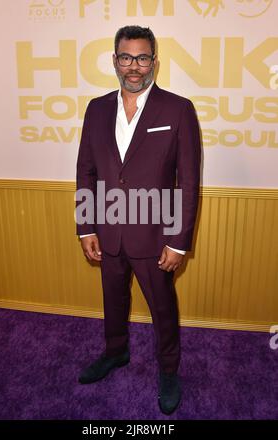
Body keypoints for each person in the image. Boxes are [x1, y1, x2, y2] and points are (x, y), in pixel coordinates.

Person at [75, 25, 201, 415]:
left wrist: (178, 241)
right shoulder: (96, 108)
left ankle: (168, 370)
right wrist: (87, 225)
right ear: (115, 61)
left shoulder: (178, 109)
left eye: (142, 57)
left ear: (154, 62)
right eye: (126, 57)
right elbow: (86, 171)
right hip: (108, 230)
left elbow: (189, 181)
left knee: (162, 307)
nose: (134, 66)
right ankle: (116, 352)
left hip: (155, 234)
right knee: (113, 300)